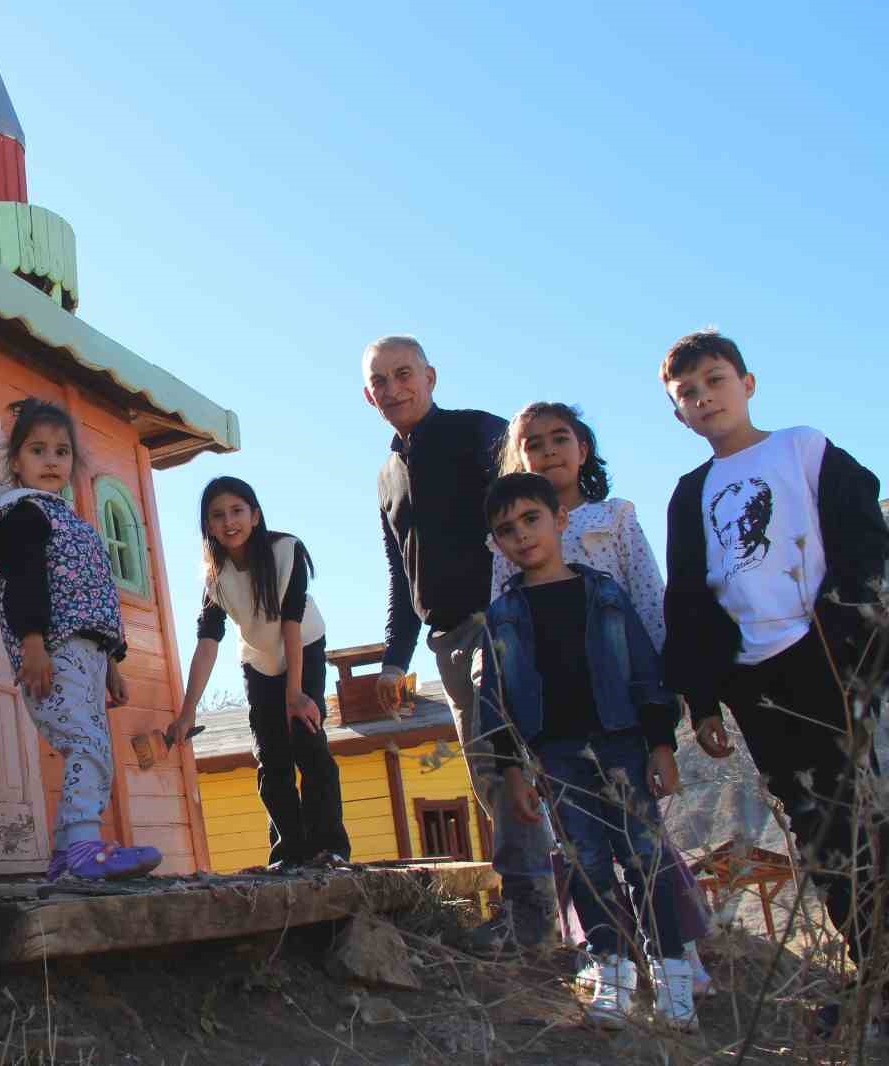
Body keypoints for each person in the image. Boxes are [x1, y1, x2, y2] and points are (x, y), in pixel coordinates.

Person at [659, 330, 889, 1030]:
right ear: (678, 414)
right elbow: (688, 600)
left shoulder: (801, 448)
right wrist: (702, 696)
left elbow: (864, 532)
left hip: (824, 654)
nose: (705, 398)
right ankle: (871, 973)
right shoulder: (690, 493)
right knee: (815, 826)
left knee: (860, 815)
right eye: (688, 394)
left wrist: (849, 626)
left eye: (715, 381)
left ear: (747, 383)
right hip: (753, 677)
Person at [493, 402, 714, 995]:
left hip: (621, 711)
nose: (547, 451)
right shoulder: (509, 542)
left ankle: (679, 955)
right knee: (580, 848)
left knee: (644, 840)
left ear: (583, 448)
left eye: (559, 439)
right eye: (532, 443)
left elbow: (648, 601)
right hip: (557, 725)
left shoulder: (613, 519)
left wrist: (662, 709)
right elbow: (504, 648)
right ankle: (605, 959)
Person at [363, 335, 553, 954]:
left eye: (404, 374)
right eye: (381, 381)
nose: (394, 389)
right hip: (445, 638)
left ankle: (531, 913)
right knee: (486, 771)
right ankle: (546, 904)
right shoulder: (387, 476)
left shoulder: (481, 434)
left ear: (431, 375)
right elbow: (402, 572)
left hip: (502, 619)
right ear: (369, 396)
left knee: (511, 763)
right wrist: (396, 655)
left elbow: (536, 512)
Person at [0, 398, 162, 881]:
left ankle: (66, 857)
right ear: (16, 462)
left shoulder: (70, 521)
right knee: (86, 745)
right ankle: (81, 844)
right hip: (52, 653)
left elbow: (89, 599)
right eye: (38, 450)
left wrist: (112, 663)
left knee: (94, 744)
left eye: (61, 452)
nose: (52, 460)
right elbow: (24, 582)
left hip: (85, 655)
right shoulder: (24, 516)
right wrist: (32, 643)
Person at [169, 477, 349, 867]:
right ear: (208, 526)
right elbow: (207, 642)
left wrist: (296, 693)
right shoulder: (215, 577)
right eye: (217, 515)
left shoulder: (286, 550)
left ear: (255, 515)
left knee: (308, 742)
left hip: (303, 648)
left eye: (237, 511)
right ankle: (289, 853)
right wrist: (188, 711)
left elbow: (291, 622)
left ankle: (330, 848)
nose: (228, 521)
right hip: (258, 662)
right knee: (271, 755)